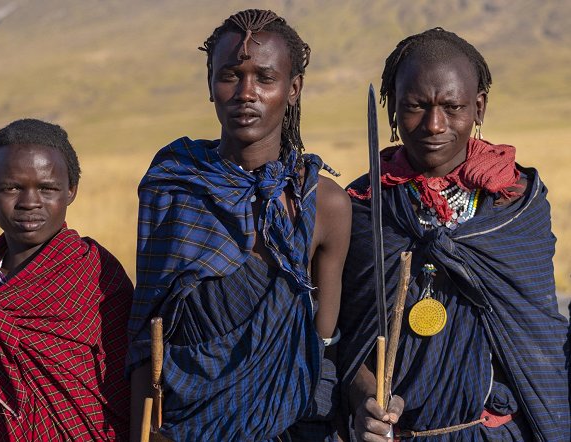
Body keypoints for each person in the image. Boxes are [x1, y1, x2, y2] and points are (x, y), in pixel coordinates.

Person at [126, 9, 352, 441]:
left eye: (265, 79)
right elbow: (146, 329)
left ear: (293, 88)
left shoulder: (322, 204)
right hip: (182, 424)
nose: (246, 93)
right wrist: (143, 431)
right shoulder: (174, 184)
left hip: (289, 426)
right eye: (231, 75)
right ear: (210, 85)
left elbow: (320, 346)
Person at [338, 28, 570, 441]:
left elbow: (537, 335)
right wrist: (363, 402)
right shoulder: (363, 208)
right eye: (414, 106)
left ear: (478, 108)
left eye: (452, 106)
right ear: (391, 109)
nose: (434, 124)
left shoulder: (514, 206)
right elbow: (346, 340)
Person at [0, 119, 133, 441]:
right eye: (11, 187)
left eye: (47, 188)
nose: (30, 202)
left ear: (71, 189)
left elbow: (132, 385)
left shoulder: (97, 275)